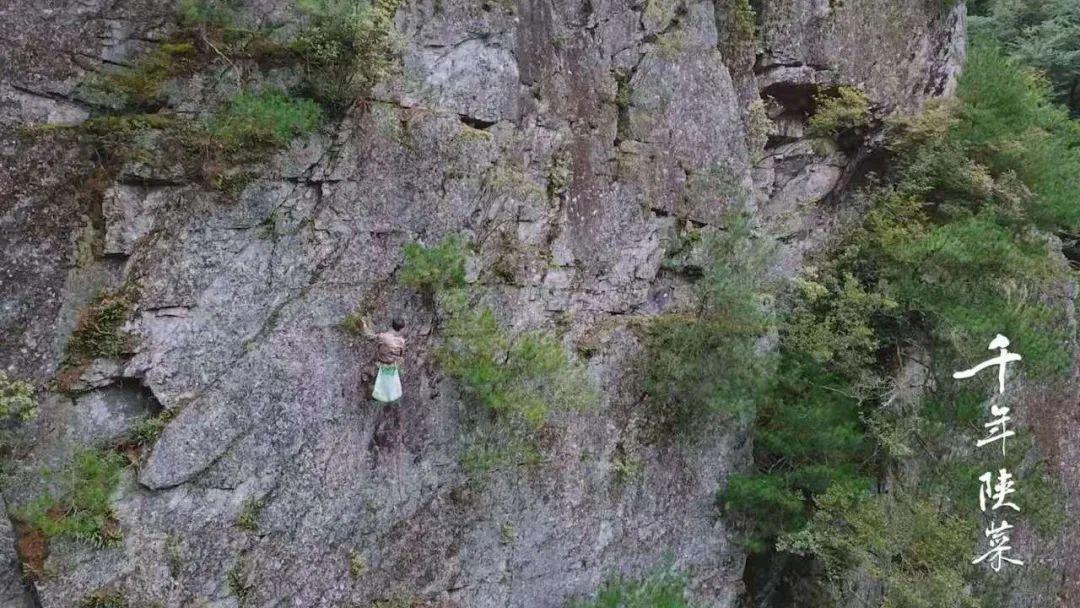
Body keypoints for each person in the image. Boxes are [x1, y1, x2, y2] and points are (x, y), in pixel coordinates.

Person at [371, 321, 405, 403]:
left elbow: (376, 345)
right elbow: (401, 354)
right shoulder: (401, 341)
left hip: (380, 362)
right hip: (392, 365)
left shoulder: (382, 336)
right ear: (401, 329)